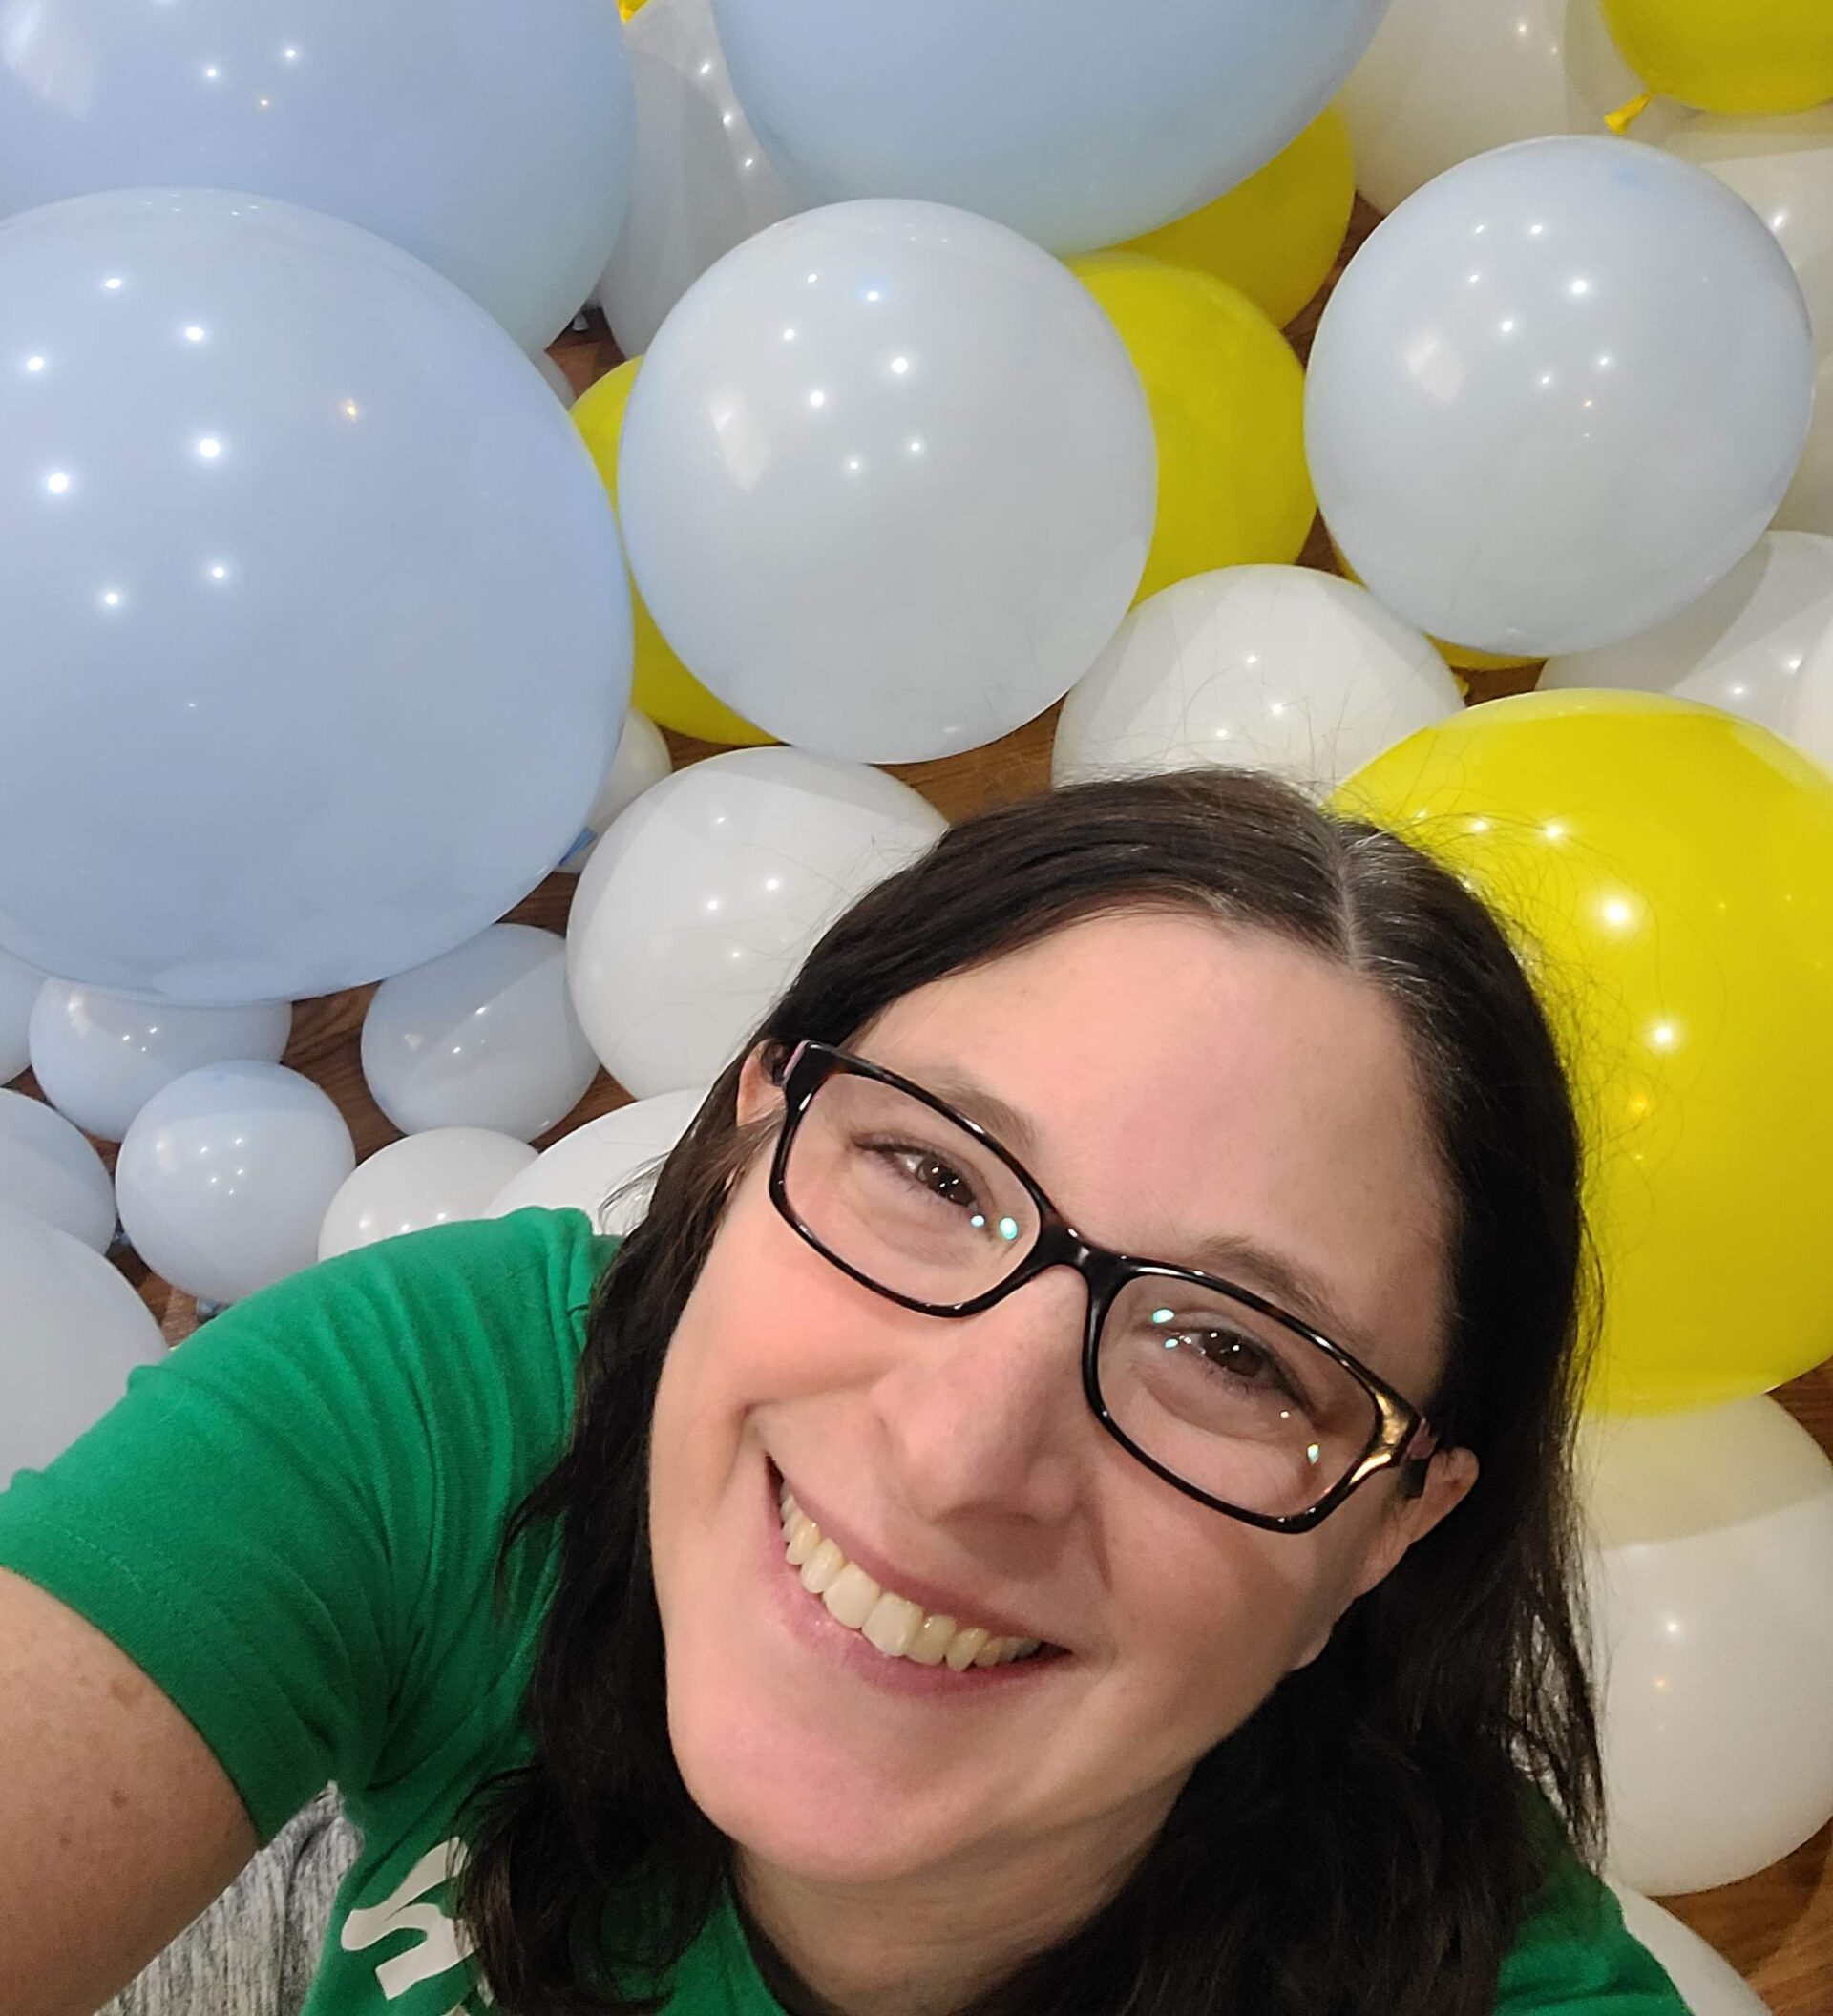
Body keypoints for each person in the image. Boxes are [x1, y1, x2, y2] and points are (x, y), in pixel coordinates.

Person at [0, 770, 1689, 2016]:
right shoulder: (457, 1402)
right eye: (935, 1175)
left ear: (1393, 1530)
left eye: (1235, 1349)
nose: (957, 1460)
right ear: (747, 1142)